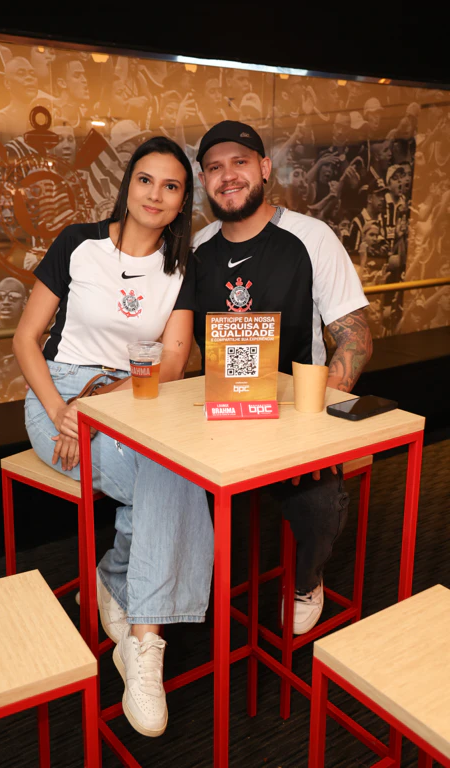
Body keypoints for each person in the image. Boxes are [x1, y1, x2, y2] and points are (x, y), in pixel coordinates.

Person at [12, 136, 213, 739]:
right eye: (146, 180)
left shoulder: (181, 268)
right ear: (128, 185)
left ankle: (139, 639)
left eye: (171, 186)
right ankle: (124, 595)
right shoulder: (79, 242)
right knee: (172, 475)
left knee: (170, 467)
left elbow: (172, 363)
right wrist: (63, 410)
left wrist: (100, 406)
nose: (156, 195)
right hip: (58, 393)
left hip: (133, 398)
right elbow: (26, 339)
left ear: (182, 202)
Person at [174, 120, 372, 634]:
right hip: (221, 413)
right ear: (204, 181)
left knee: (318, 503)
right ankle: (147, 580)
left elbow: (355, 340)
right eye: (214, 167)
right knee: (166, 486)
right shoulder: (198, 248)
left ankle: (307, 579)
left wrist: (313, 428)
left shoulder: (311, 237)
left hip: (294, 418)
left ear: (264, 168)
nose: (228, 175)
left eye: (240, 162)